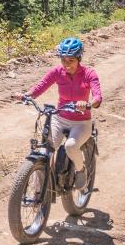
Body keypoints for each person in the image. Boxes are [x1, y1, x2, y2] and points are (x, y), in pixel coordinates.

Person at [22, 36, 103, 190]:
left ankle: (81, 170)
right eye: (63, 60)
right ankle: (39, 195)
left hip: (81, 122)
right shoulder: (57, 71)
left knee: (71, 146)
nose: (66, 65)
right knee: (43, 151)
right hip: (60, 118)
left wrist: (87, 104)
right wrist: (27, 95)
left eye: (71, 60)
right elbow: (42, 85)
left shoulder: (89, 73)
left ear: (79, 58)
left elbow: (97, 97)